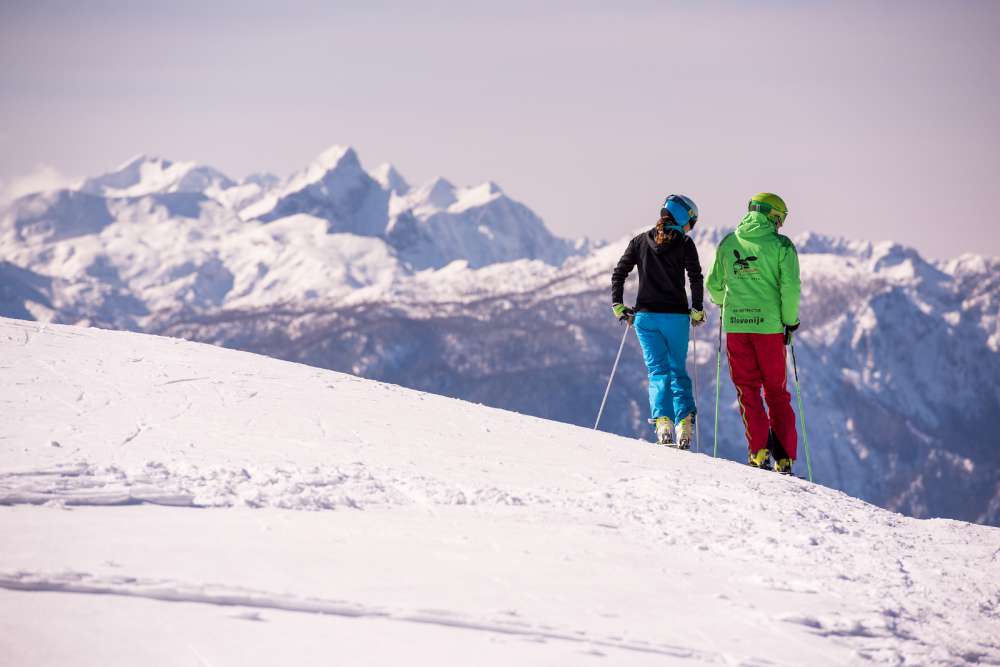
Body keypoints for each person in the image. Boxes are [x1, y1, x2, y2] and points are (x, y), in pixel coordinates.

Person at [705, 192, 801, 473]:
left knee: (747, 390)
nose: (780, 225)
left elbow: (713, 286)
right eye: (780, 219)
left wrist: (726, 303)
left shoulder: (728, 242)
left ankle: (758, 452)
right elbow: (790, 288)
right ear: (773, 215)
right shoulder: (782, 246)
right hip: (769, 329)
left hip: (737, 327)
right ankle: (784, 457)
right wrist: (789, 322)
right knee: (776, 392)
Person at [610, 194, 706, 448]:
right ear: (684, 217)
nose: (691, 227)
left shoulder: (640, 241)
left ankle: (663, 423)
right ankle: (684, 422)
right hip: (676, 318)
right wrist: (697, 309)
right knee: (677, 370)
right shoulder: (685, 243)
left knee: (657, 372)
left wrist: (618, 305)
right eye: (692, 222)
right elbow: (695, 277)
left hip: (645, 318)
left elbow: (619, 273)